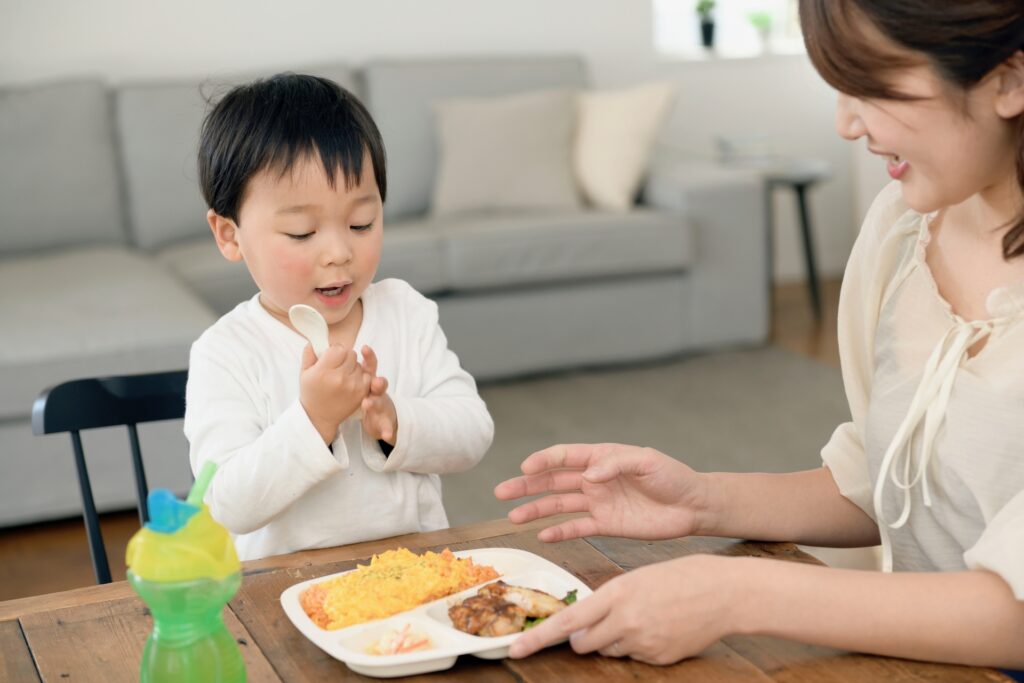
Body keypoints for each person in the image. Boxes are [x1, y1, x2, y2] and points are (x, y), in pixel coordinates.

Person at [495, 0, 1024, 669]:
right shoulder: (901, 229)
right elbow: (893, 479)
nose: (846, 123)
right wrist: (701, 500)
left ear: (1009, 80)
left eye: (873, 85)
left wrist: (739, 592)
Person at [186, 74, 493, 561]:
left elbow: (473, 431)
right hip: (284, 595)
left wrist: (396, 421)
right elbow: (225, 504)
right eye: (302, 232)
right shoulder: (226, 352)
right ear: (229, 235)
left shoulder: (405, 312)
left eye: (361, 223)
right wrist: (314, 421)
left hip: (417, 578)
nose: (338, 252)